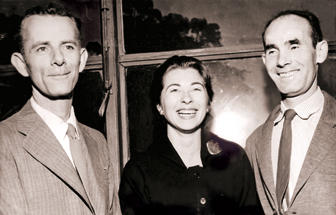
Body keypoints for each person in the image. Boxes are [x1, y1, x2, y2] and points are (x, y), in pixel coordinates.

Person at [0, 2, 120, 215]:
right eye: (42, 48)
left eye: (67, 46)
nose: (59, 59)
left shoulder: (97, 142)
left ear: (81, 59)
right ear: (21, 64)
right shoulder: (5, 141)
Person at [119, 55, 263, 215]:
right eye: (174, 90)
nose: (186, 99)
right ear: (159, 106)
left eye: (196, 88)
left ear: (208, 102)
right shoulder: (138, 172)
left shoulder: (235, 158)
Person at [245, 10, 336, 215]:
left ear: (320, 52)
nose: (282, 60)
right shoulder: (254, 143)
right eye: (272, 50)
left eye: (294, 46)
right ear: (264, 59)